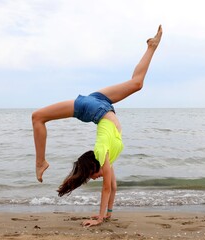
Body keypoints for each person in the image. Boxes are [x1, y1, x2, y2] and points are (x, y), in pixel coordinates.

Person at [32, 25, 162, 227]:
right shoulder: (108, 156)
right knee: (137, 83)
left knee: (38, 117)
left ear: (94, 166)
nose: (94, 179)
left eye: (91, 176)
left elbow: (106, 189)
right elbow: (113, 186)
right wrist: (108, 214)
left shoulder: (101, 153)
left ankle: (40, 162)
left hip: (92, 109)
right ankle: (151, 47)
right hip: (102, 103)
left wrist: (99, 220)